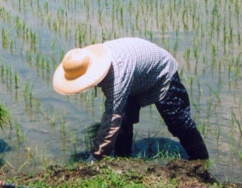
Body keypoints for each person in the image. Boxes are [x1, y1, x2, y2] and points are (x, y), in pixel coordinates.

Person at [53, 37, 208, 161]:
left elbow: (112, 117)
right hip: (135, 76)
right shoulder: (94, 61)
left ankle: (200, 159)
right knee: (123, 120)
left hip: (161, 71)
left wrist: (94, 156)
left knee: (178, 121)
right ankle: (123, 160)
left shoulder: (116, 78)